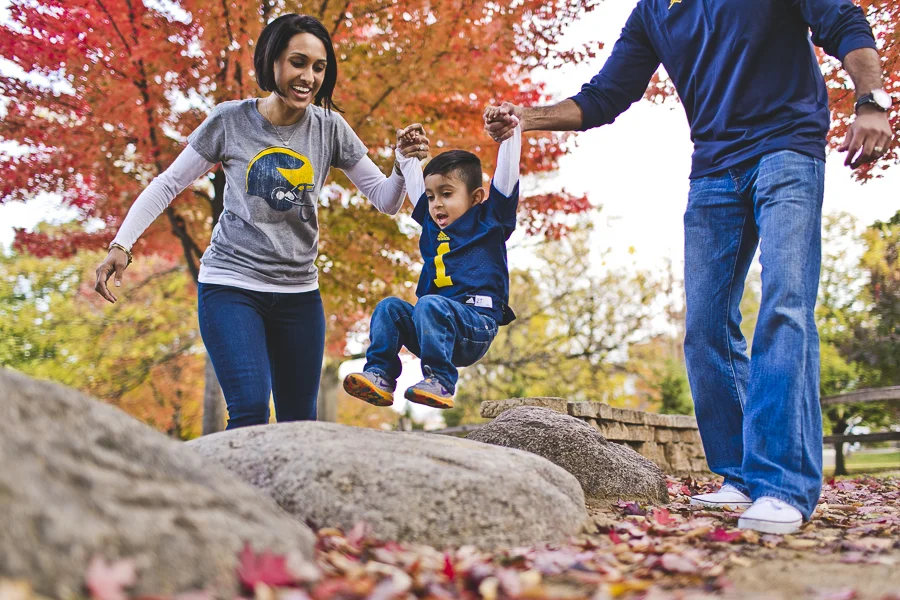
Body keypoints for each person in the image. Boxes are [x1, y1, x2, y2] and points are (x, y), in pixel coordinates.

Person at [483, 0, 893, 534]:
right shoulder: (654, 11)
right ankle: (741, 476)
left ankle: (783, 485)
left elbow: (844, 21)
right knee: (705, 329)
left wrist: (871, 102)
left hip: (788, 149)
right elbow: (606, 96)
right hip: (715, 170)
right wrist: (526, 118)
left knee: (785, 304)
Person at [93, 14, 430, 429]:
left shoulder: (330, 128)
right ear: (272, 63)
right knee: (250, 410)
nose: (308, 76)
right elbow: (168, 184)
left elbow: (385, 199)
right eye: (298, 62)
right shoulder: (230, 120)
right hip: (232, 286)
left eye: (319, 68)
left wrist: (403, 162)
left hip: (299, 294)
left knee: (299, 424)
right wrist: (121, 245)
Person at [342, 118, 523, 409]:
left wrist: (509, 132)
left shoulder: (491, 219)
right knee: (389, 307)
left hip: (475, 327)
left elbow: (507, 177)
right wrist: (404, 154)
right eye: (432, 196)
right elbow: (414, 178)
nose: (436, 203)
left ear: (476, 198)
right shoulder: (431, 221)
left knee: (429, 303)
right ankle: (380, 375)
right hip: (434, 326)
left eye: (447, 194)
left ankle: (440, 380)